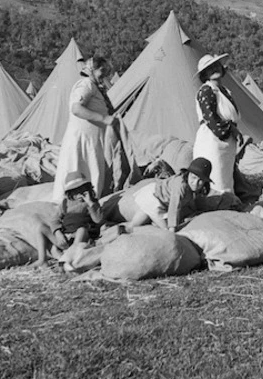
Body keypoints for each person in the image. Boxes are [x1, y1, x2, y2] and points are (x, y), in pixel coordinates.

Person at [52, 54, 116, 204]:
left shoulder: (94, 86)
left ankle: (89, 208)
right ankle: (71, 209)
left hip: (91, 141)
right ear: (95, 69)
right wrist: (103, 118)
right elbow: (76, 108)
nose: (104, 76)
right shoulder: (86, 84)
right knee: (77, 172)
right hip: (82, 141)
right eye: (102, 71)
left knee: (91, 172)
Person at [192, 53, 242, 194]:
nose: (215, 69)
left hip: (226, 140)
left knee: (225, 178)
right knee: (216, 177)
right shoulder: (206, 91)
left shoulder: (224, 91)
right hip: (213, 139)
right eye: (210, 68)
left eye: (216, 65)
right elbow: (211, 118)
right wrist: (230, 129)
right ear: (205, 74)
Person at [123, 157, 213, 233]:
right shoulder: (181, 185)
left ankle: (125, 229)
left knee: (139, 222)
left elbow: (192, 200)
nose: (195, 183)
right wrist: (172, 229)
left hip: (160, 200)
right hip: (153, 197)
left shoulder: (195, 188)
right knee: (165, 229)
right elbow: (175, 206)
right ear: (188, 174)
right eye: (193, 178)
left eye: (200, 180)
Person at [52, 171, 106, 248]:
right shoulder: (65, 203)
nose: (79, 195)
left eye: (82, 191)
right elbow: (54, 220)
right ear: (70, 193)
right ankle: (44, 258)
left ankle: (74, 249)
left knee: (81, 230)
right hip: (66, 234)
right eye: (75, 192)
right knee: (41, 228)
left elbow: (98, 220)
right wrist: (58, 234)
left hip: (83, 234)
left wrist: (90, 202)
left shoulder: (91, 202)